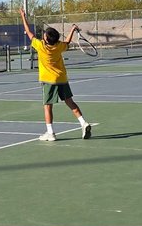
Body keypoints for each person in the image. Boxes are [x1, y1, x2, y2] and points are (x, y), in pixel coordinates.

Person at [18, 8, 91, 142]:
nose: (43, 35)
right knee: (70, 102)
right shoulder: (59, 46)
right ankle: (83, 123)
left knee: (47, 106)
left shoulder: (40, 46)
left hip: (48, 81)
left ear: (46, 39)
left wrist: (23, 16)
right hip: (62, 79)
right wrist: (72, 30)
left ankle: (50, 133)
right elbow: (67, 42)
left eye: (45, 34)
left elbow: (29, 32)